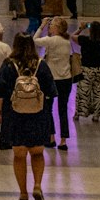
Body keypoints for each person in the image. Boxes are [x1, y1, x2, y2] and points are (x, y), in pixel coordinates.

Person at [0, 32, 56, 200]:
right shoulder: (41, 65)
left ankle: (22, 194)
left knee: (19, 155)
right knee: (37, 153)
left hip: (15, 116)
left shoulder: (8, 65)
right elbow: (52, 91)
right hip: (38, 116)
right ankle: (37, 185)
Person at [35, 15, 75, 149]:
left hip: (52, 79)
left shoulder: (50, 41)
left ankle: (51, 137)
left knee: (48, 108)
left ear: (57, 28)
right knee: (63, 110)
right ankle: (63, 140)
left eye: (51, 25)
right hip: (66, 78)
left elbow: (35, 40)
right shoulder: (67, 42)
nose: (49, 27)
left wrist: (41, 26)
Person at [74, 20, 100, 122]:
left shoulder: (84, 40)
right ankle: (96, 114)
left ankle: (79, 113)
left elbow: (72, 36)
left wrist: (81, 28)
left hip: (86, 69)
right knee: (98, 92)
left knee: (83, 92)